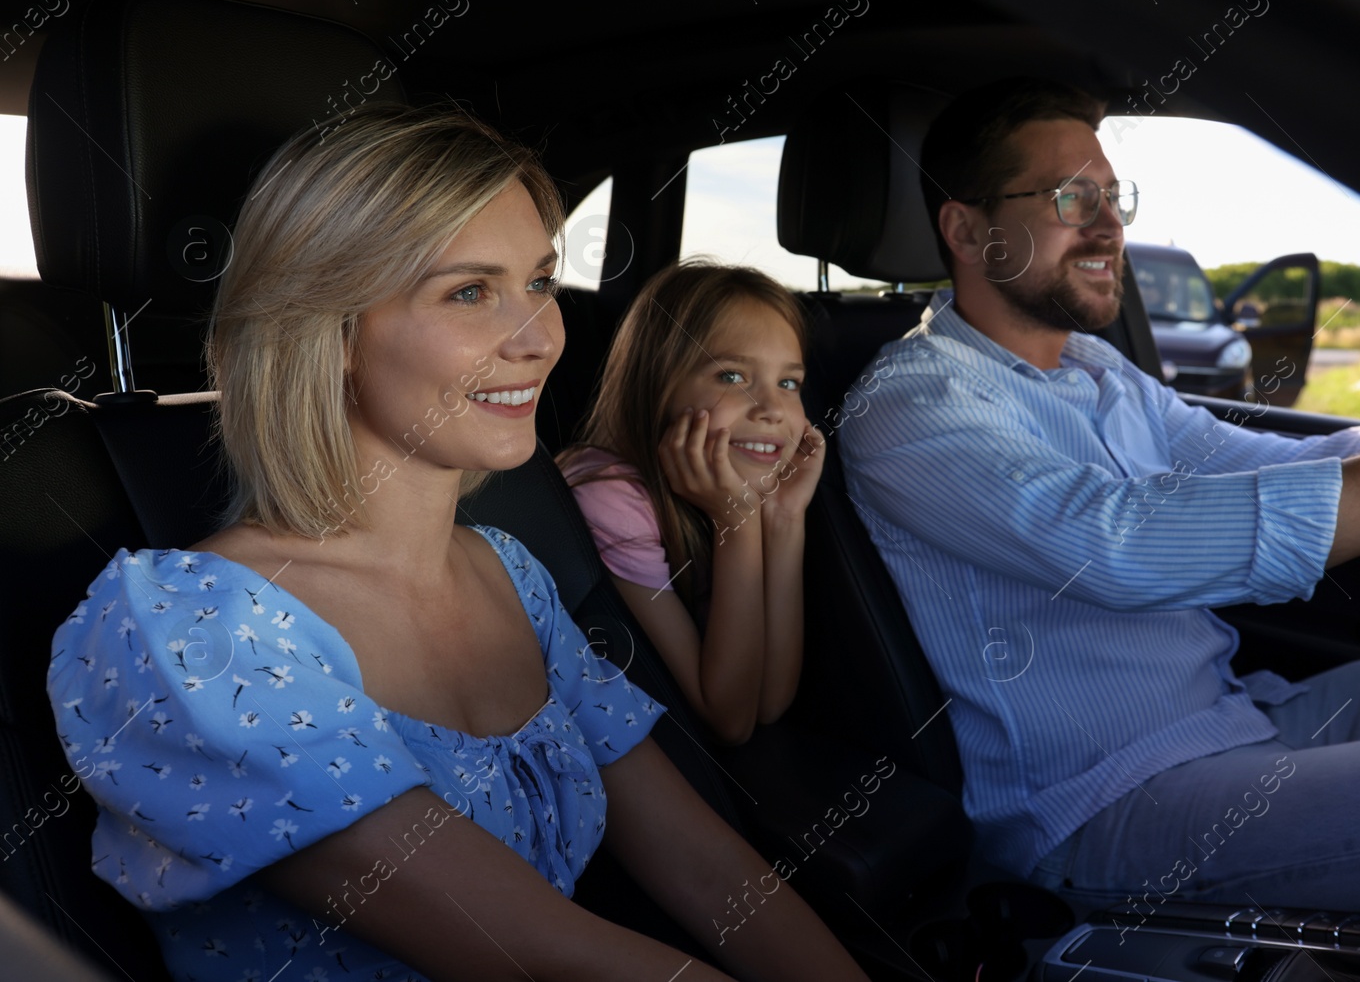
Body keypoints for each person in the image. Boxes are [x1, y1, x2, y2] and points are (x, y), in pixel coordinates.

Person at [47, 104, 867, 982]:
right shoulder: (186, 630)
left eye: (541, 282)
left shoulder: (512, 573)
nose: (540, 337)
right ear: (330, 333)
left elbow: (713, 873)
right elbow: (550, 956)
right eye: (470, 291)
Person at [836, 76, 1360, 936]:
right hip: (1101, 806)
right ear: (967, 229)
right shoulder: (912, 404)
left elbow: (1295, 464)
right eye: (1069, 197)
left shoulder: (1095, 370)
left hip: (1235, 720)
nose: (1108, 222)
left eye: (1112, 196)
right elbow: (1122, 544)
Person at [558, 259, 824, 745]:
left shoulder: (733, 486)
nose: (771, 410)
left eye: (789, 383)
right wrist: (739, 522)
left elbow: (770, 702)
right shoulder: (610, 500)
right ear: (657, 381)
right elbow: (731, 722)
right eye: (732, 376)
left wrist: (785, 517)